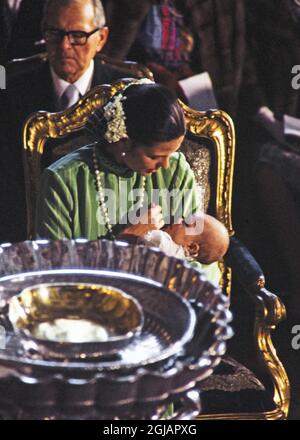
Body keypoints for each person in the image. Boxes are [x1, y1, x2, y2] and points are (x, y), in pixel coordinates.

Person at [35, 80, 229, 284]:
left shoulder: (176, 170)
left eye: (171, 153)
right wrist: (126, 240)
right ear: (123, 140)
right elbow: (55, 271)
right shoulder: (63, 180)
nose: (165, 165)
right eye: (154, 156)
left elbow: (203, 267)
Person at [2, 0, 136, 243]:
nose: (64, 46)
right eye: (55, 33)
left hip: (106, 224)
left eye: (77, 36)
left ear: (102, 38)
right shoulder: (12, 90)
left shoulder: (129, 90)